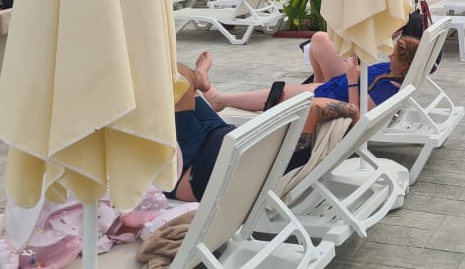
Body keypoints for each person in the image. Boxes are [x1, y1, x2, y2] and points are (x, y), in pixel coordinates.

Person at [168, 58, 358, 203]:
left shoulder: (295, 153)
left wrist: (353, 109)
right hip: (222, 138)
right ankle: (198, 78)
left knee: (175, 75)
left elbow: (314, 106)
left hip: (197, 168)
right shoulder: (297, 150)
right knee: (177, 79)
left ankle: (197, 78)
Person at [200, 31, 420, 114]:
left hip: (335, 97)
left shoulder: (386, 90)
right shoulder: (394, 72)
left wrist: (353, 80)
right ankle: (314, 85)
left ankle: (219, 100)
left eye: (394, 56)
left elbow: (357, 117)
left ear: (404, 66)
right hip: (339, 84)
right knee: (320, 39)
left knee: (279, 93)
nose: (389, 56)